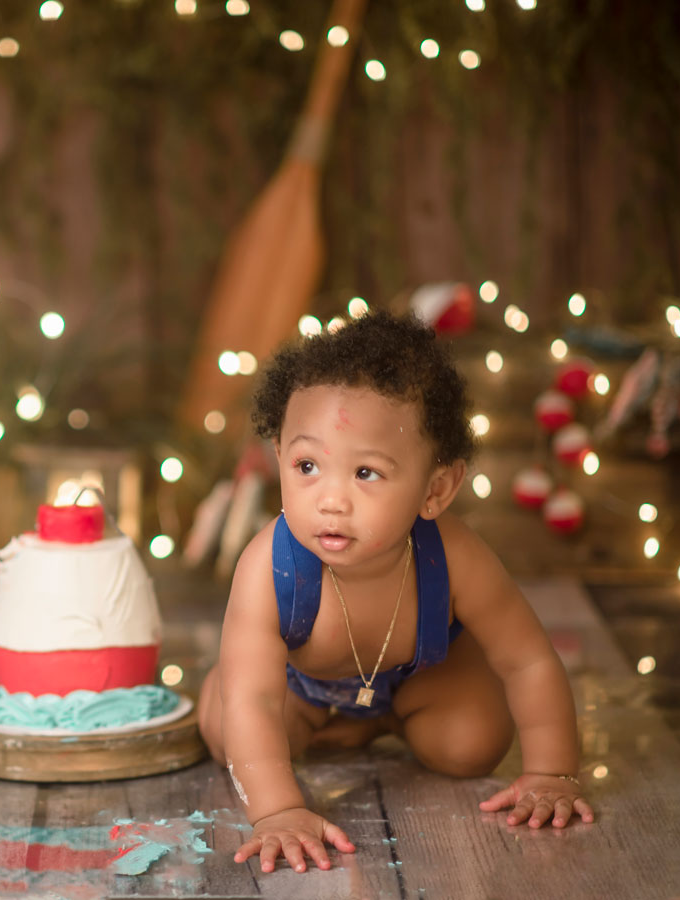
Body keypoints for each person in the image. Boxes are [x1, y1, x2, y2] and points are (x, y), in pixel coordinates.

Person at [196, 310, 594, 875]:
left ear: (436, 489)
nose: (331, 499)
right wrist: (278, 811)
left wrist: (553, 771)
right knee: (232, 726)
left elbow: (527, 659)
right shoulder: (270, 567)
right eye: (307, 465)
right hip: (300, 690)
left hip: (417, 681)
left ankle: (381, 722)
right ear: (279, 457)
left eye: (366, 473)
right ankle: (331, 723)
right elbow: (254, 699)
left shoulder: (454, 556)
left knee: (474, 743)